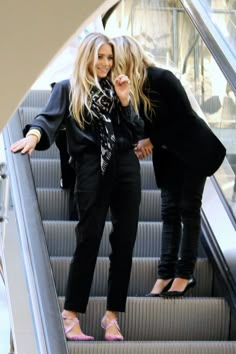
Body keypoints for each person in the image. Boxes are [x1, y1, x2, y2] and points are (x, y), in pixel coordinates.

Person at [11, 32, 144, 340]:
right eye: (100, 56)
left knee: (124, 243)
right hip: (90, 169)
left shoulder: (118, 89)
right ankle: (70, 315)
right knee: (89, 239)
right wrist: (33, 136)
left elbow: (137, 131)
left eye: (109, 58)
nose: (106, 63)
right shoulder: (69, 89)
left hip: (125, 168)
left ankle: (112, 317)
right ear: (88, 56)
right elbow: (48, 118)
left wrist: (125, 102)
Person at [112, 35, 226, 298]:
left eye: (114, 59)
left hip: (193, 151)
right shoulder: (127, 90)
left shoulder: (163, 79)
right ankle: (164, 274)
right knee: (169, 214)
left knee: (188, 209)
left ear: (126, 57)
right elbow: (141, 128)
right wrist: (141, 142)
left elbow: (185, 120)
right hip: (167, 158)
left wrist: (153, 139)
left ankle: (184, 274)